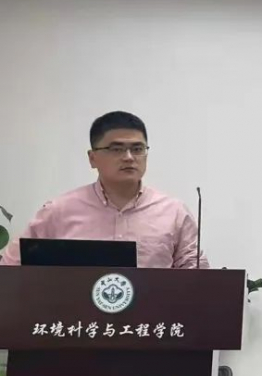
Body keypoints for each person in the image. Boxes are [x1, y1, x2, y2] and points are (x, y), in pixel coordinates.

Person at [0, 111, 208, 269]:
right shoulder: (58, 212)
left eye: (137, 149)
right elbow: (11, 268)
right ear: (92, 158)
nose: (129, 157)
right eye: (116, 149)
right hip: (77, 313)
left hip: (152, 314)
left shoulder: (173, 212)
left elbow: (198, 280)